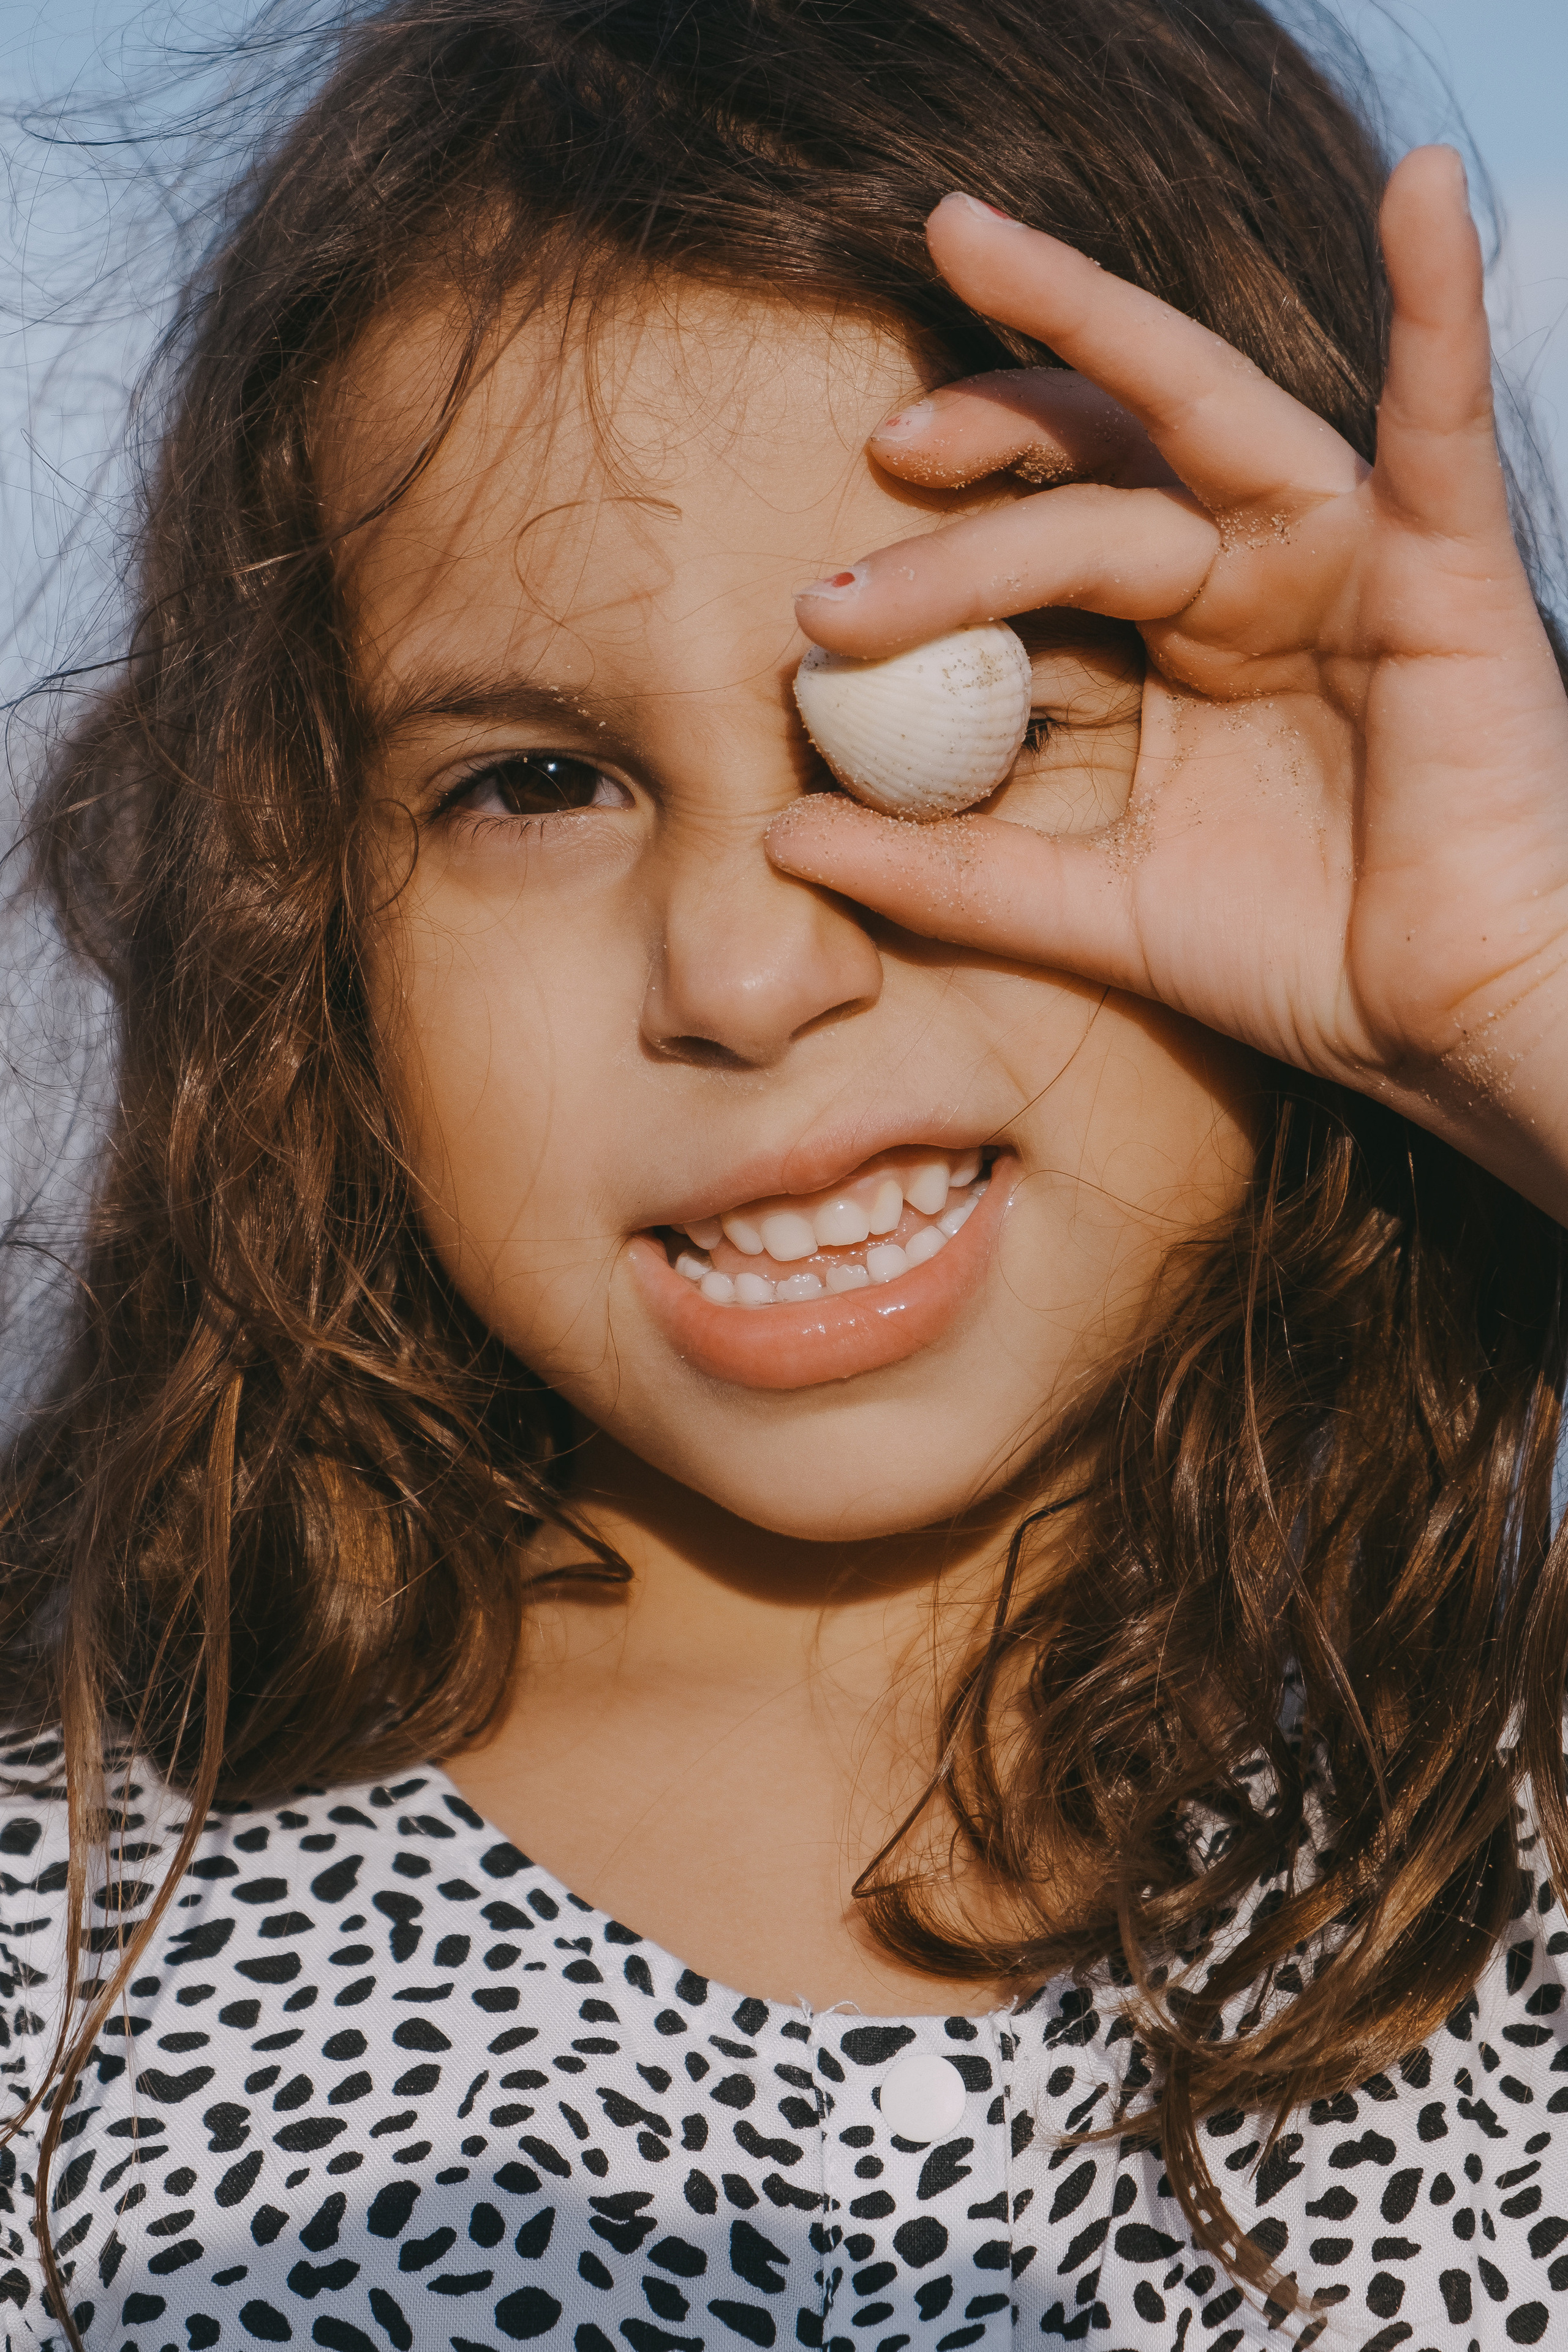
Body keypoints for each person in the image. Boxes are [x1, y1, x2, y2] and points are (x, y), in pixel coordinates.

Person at [4, 0, 1568, 2343]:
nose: (742, 969)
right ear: (298, 907)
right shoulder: (58, 1937)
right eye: (534, 783)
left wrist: (1527, 990)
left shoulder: (1512, 1831)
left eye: (970, 722)